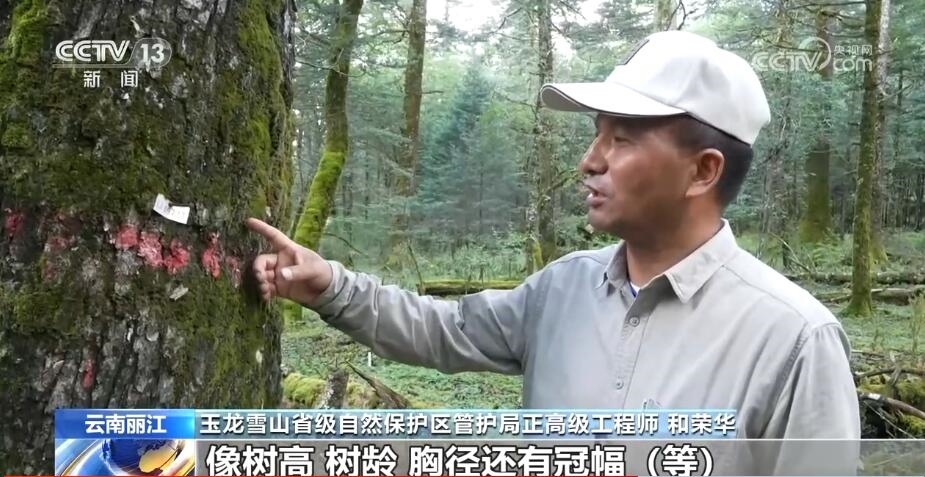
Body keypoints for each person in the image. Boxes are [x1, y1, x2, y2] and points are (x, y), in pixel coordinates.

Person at [246, 30, 860, 470]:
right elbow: (445, 330)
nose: (589, 161)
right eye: (596, 135)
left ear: (703, 171)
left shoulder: (793, 340)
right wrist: (331, 287)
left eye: (621, 140)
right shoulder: (563, 288)